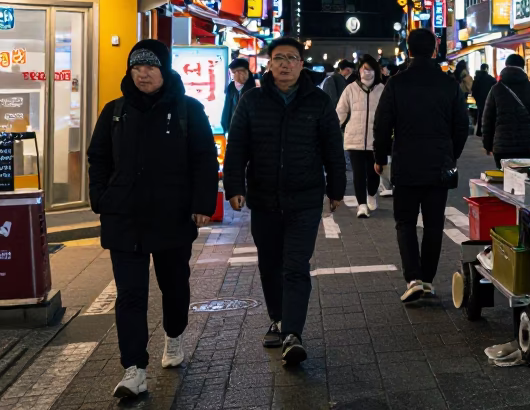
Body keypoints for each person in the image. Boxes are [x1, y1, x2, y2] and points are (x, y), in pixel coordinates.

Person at [87, 40, 220, 399]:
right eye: (136, 67)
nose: (143, 73)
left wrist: (202, 204)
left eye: (150, 66)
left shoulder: (187, 110)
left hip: (171, 217)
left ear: (165, 70)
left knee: (174, 286)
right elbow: (97, 157)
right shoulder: (114, 111)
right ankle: (134, 369)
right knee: (130, 295)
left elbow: (205, 159)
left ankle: (174, 336)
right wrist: (101, 197)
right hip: (123, 219)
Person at [223, 37, 347, 365]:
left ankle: (293, 332)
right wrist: (233, 186)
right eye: (279, 58)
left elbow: (333, 148)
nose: (285, 64)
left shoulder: (318, 101)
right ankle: (277, 319)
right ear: (268, 63)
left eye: (292, 58)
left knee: (295, 266)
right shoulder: (251, 101)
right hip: (263, 198)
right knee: (269, 264)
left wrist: (336, 188)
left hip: (304, 199)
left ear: (301, 64)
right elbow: (236, 147)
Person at [374, 29, 470, 302]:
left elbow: (382, 124)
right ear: (435, 48)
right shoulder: (448, 83)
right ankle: (426, 279)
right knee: (433, 224)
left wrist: (380, 157)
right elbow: (461, 125)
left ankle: (413, 278)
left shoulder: (396, 83)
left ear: (408, 49)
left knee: (404, 222)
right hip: (439, 164)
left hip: (406, 162)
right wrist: (452, 154)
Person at [336, 55, 385, 218]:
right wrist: (335, 128)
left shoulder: (382, 89)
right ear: (359, 70)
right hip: (354, 139)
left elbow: (388, 114)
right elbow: (341, 111)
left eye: (371, 69)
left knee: (374, 173)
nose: (367, 72)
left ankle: (371, 194)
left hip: (375, 140)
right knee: (358, 173)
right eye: (364, 68)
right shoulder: (350, 89)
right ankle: (361, 205)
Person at [482, 54, 530, 167]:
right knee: (524, 179)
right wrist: (528, 128)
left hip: (502, 146)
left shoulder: (496, 89)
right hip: (526, 146)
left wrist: (487, 144)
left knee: (503, 180)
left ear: (506, 66)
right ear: (523, 67)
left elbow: (488, 120)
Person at [221, 57, 255, 135]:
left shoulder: (252, 89)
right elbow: (227, 107)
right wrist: (225, 125)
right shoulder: (231, 87)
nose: (232, 76)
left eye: (234, 73)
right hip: (232, 128)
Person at [471, 62, 496, 137]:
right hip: (488, 99)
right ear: (487, 69)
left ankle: (479, 131)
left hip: (480, 100)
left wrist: (477, 98)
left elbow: (473, 90)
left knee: (480, 115)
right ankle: (487, 132)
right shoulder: (491, 79)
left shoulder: (477, 78)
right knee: (489, 116)